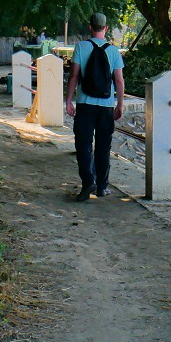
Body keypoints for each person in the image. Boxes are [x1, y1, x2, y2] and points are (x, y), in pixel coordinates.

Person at [65, 13, 125, 202]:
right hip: (106, 107)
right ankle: (102, 187)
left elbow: (74, 76)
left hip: (85, 104)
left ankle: (88, 182)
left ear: (90, 27)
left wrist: (68, 101)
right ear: (106, 29)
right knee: (103, 147)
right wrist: (120, 104)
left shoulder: (81, 47)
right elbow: (119, 81)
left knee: (83, 145)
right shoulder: (113, 51)